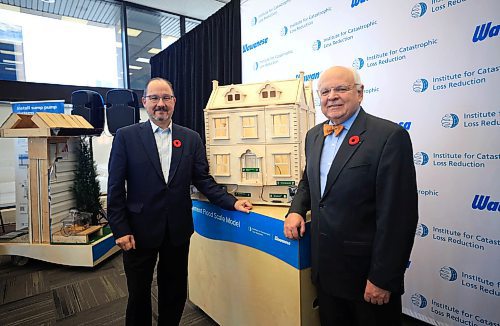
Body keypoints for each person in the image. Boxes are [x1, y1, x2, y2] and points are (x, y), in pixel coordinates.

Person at [107, 77, 252, 325]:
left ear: (174, 102)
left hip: (177, 228)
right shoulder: (126, 136)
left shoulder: (191, 138)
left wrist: (231, 202)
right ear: (145, 102)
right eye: (154, 98)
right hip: (138, 230)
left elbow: (203, 180)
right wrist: (120, 229)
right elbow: (115, 187)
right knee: (138, 292)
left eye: (166, 98)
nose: (160, 103)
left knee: (174, 290)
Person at [284, 66, 418, 325]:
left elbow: (399, 217)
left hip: (366, 277)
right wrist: (296, 210)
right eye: (325, 91)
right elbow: (308, 184)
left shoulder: (389, 137)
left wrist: (383, 278)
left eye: (341, 89)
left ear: (360, 93)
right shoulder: (313, 136)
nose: (331, 96)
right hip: (325, 270)